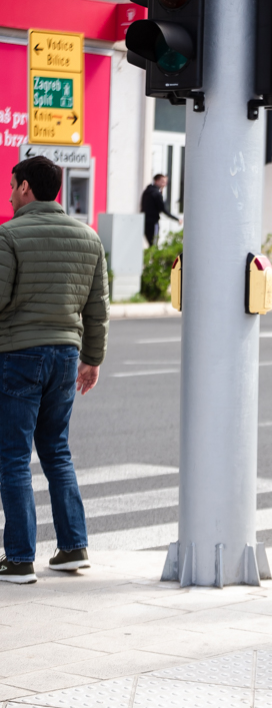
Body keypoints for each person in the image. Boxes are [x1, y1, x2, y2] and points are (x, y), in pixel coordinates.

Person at [0, 156, 109, 584]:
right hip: (66, 356)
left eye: (12, 185)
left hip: (19, 353)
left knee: (13, 455)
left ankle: (19, 558)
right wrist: (92, 359)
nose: (10, 194)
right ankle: (72, 547)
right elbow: (97, 310)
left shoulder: (9, 235)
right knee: (56, 449)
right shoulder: (89, 238)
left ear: (26, 186)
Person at [140, 174, 180, 248]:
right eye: (163, 181)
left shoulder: (146, 191)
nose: (165, 184)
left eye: (165, 182)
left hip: (145, 221)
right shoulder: (156, 194)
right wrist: (177, 219)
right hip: (153, 222)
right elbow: (163, 209)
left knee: (150, 244)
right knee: (154, 245)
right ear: (157, 181)